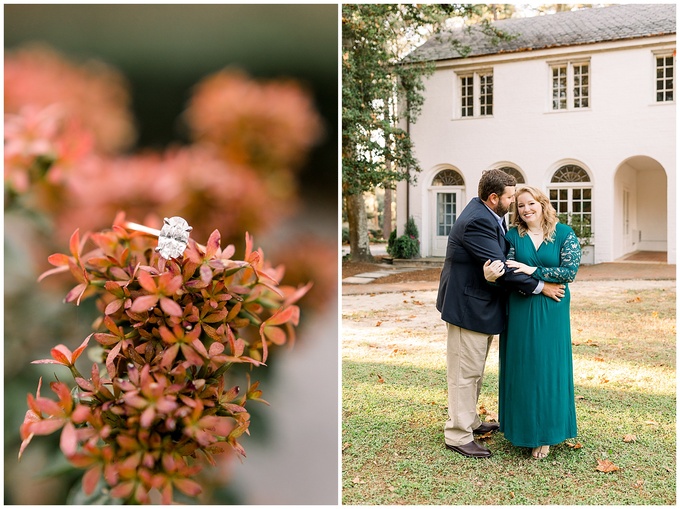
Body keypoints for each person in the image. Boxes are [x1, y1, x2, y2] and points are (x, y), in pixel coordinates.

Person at [436, 170, 566, 458]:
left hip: (479, 307)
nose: (514, 203)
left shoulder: (488, 216)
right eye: (510, 198)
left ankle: (469, 421)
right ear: (494, 198)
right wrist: (541, 286)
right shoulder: (477, 221)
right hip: (466, 309)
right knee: (463, 374)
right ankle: (457, 435)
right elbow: (502, 267)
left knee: (473, 372)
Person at [484, 186, 581, 459]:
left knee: (549, 367)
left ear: (542, 204)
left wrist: (533, 269)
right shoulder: (512, 236)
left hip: (553, 308)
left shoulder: (564, 234)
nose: (526, 210)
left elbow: (569, 271)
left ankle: (547, 434)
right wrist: (540, 281)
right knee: (523, 365)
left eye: (531, 204)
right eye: (521, 206)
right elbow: (509, 271)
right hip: (521, 305)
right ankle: (522, 429)